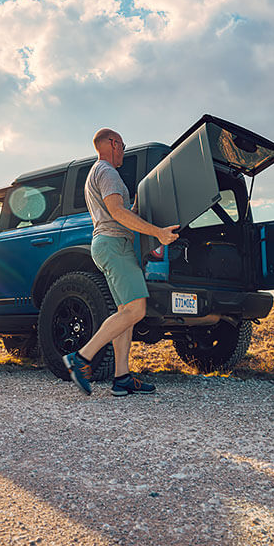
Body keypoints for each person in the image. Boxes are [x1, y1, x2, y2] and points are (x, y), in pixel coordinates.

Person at [62, 128, 179, 396]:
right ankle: (81, 359)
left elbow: (117, 211)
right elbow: (116, 212)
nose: (124, 151)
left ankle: (122, 377)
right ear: (113, 144)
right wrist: (157, 232)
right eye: (123, 146)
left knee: (125, 314)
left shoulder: (97, 173)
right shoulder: (107, 172)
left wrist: (135, 209)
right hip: (115, 245)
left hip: (107, 244)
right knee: (136, 310)